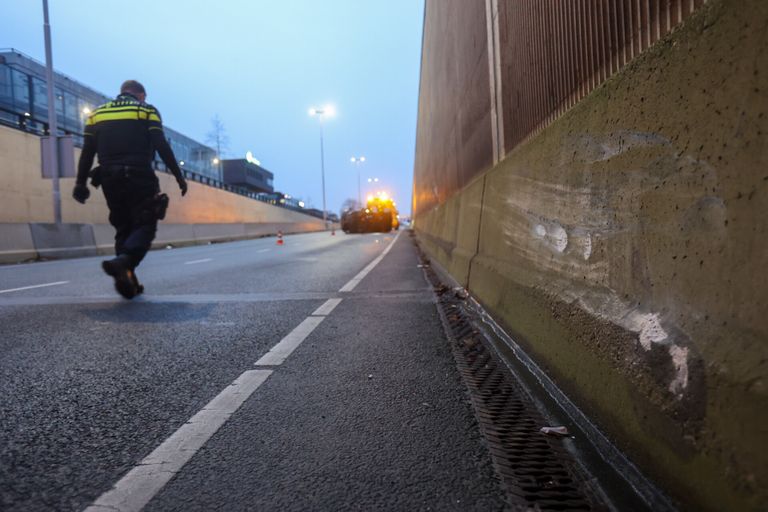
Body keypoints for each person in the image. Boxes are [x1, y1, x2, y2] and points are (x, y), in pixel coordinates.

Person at [72, 80, 188, 299]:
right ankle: (124, 262)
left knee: (123, 226)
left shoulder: (97, 114)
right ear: (141, 95)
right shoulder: (146, 110)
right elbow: (161, 144)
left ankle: (127, 278)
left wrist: (80, 183)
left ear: (122, 92)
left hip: (108, 178)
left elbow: (87, 152)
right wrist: (179, 176)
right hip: (139, 175)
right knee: (145, 223)